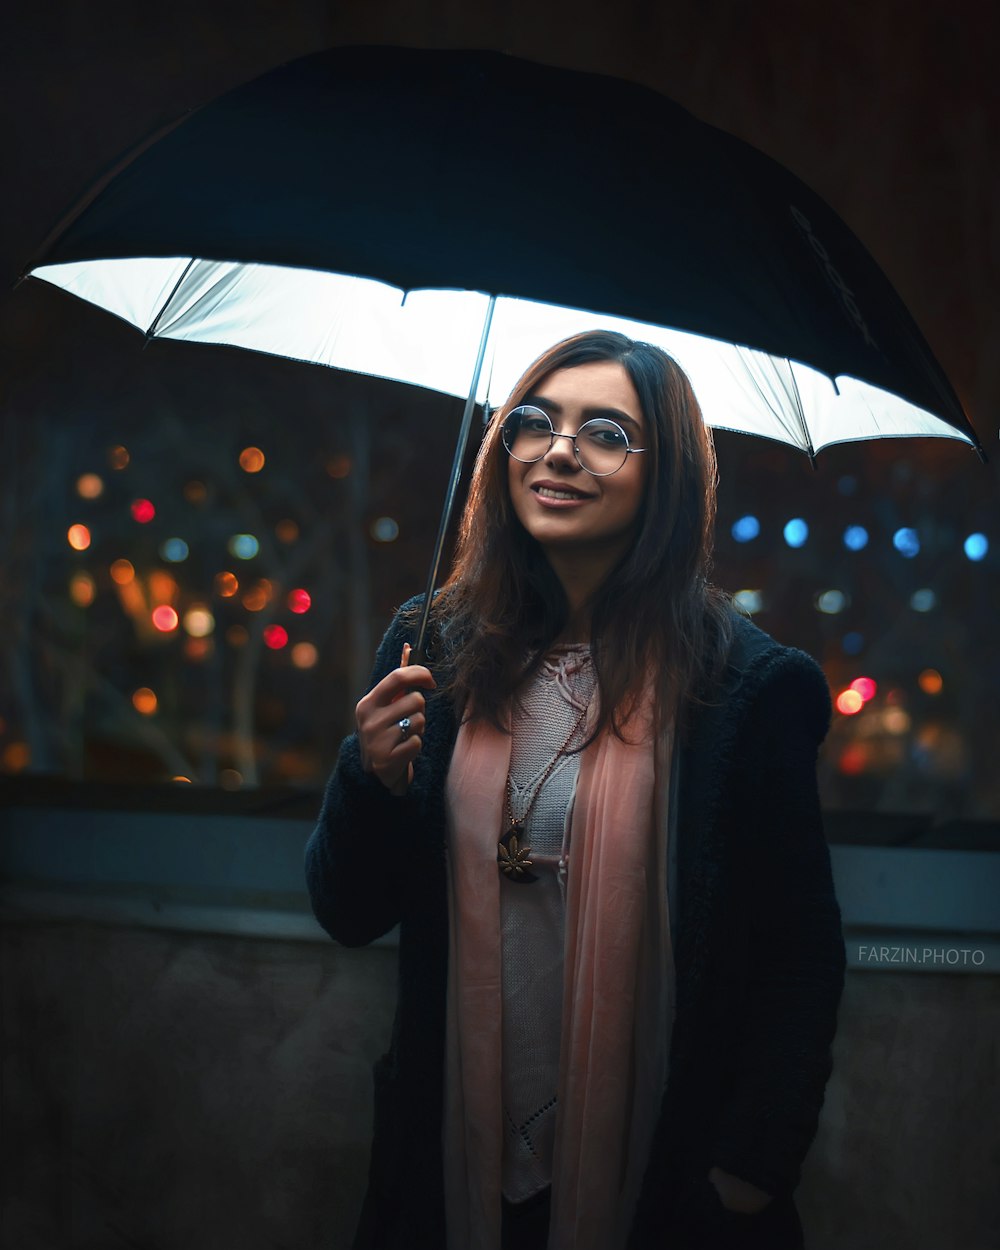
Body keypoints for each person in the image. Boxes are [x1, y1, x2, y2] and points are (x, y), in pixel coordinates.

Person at [305, 330, 846, 1250]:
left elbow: (800, 955)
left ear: (665, 477)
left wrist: (745, 1172)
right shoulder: (433, 646)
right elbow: (348, 911)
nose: (558, 449)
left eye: (605, 432)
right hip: (449, 1161)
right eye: (535, 422)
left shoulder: (744, 688)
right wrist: (373, 778)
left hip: (665, 1181)